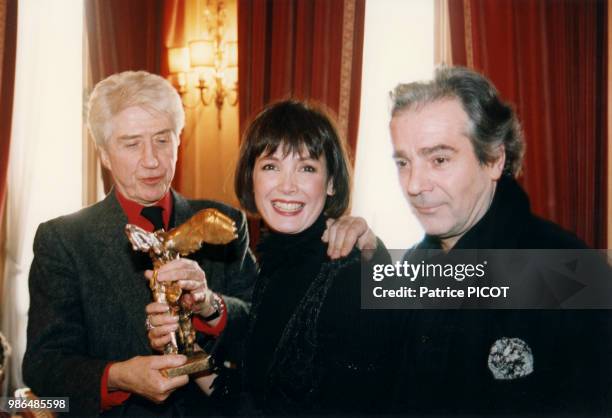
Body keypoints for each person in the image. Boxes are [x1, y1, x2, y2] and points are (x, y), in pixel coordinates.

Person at [23, 71, 374, 417]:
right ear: (103, 154)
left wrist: (210, 305)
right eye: (132, 144)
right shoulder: (64, 240)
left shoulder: (226, 222)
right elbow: (42, 366)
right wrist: (117, 377)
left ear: (179, 140)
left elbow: (263, 318)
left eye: (162, 139)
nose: (151, 159)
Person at [149, 100, 397, 415]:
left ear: (332, 182)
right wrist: (182, 344)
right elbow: (248, 392)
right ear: (252, 177)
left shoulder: (352, 269)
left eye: (307, 168)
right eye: (271, 166)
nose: (287, 186)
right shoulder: (274, 264)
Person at [388, 66, 611, 415]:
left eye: (439, 159)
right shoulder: (416, 266)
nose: (414, 184)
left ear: (493, 159)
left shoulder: (570, 271)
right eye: (403, 162)